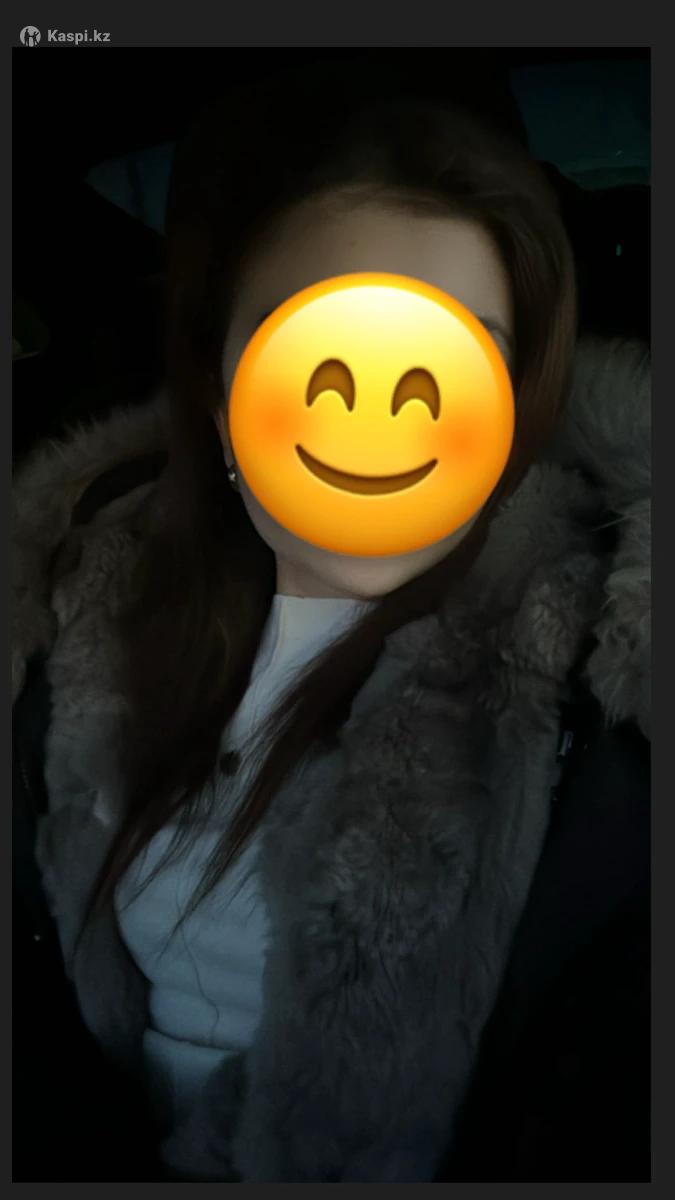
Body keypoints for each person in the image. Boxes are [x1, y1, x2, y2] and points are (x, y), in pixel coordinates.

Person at [12, 76, 650, 1182]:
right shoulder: (79, 607)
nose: (377, 413)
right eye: (313, 347)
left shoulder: (595, 670)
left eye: (454, 356)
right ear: (222, 387)